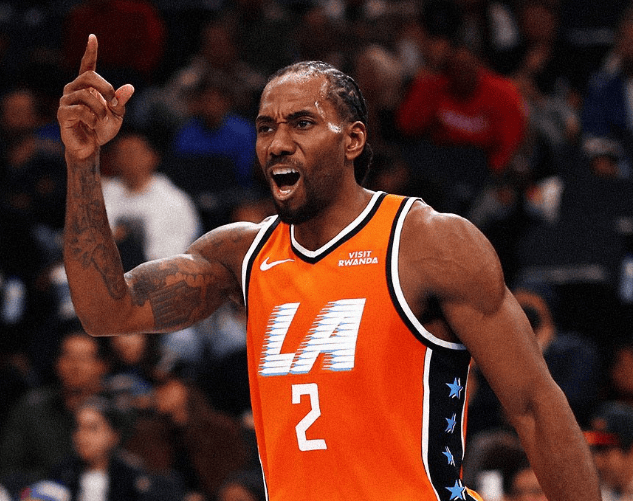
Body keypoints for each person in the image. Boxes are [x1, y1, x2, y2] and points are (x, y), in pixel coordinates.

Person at [57, 35, 600, 500]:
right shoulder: (240, 256)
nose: (278, 143)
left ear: (353, 140)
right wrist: (83, 162)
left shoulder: (428, 243)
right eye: (265, 127)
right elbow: (107, 311)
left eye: (302, 123)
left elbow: (536, 408)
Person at [0, 330, 108, 495]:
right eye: (69, 357)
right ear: (57, 363)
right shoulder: (31, 408)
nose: (76, 366)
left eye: (84, 358)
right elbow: (7, 467)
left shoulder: (114, 412)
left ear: (101, 366)